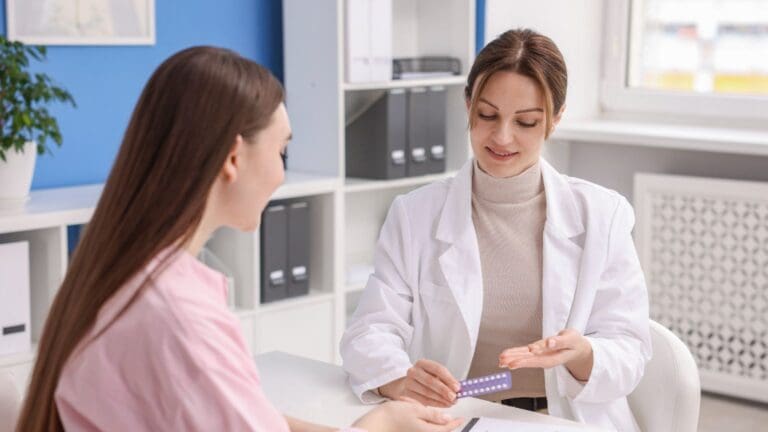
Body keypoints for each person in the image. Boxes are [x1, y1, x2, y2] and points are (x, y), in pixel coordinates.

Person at [15, 46, 463, 432]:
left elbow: (252, 418)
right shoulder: (176, 318)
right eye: (281, 150)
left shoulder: (119, 274)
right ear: (233, 157)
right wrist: (380, 424)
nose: (282, 173)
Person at [340, 29, 652, 432]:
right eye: (487, 115)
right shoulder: (414, 214)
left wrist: (583, 353)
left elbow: (629, 350)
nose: (502, 137)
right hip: (457, 419)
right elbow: (368, 332)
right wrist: (400, 378)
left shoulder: (602, 215)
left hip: (561, 420)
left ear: (554, 120)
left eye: (525, 122)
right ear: (468, 104)